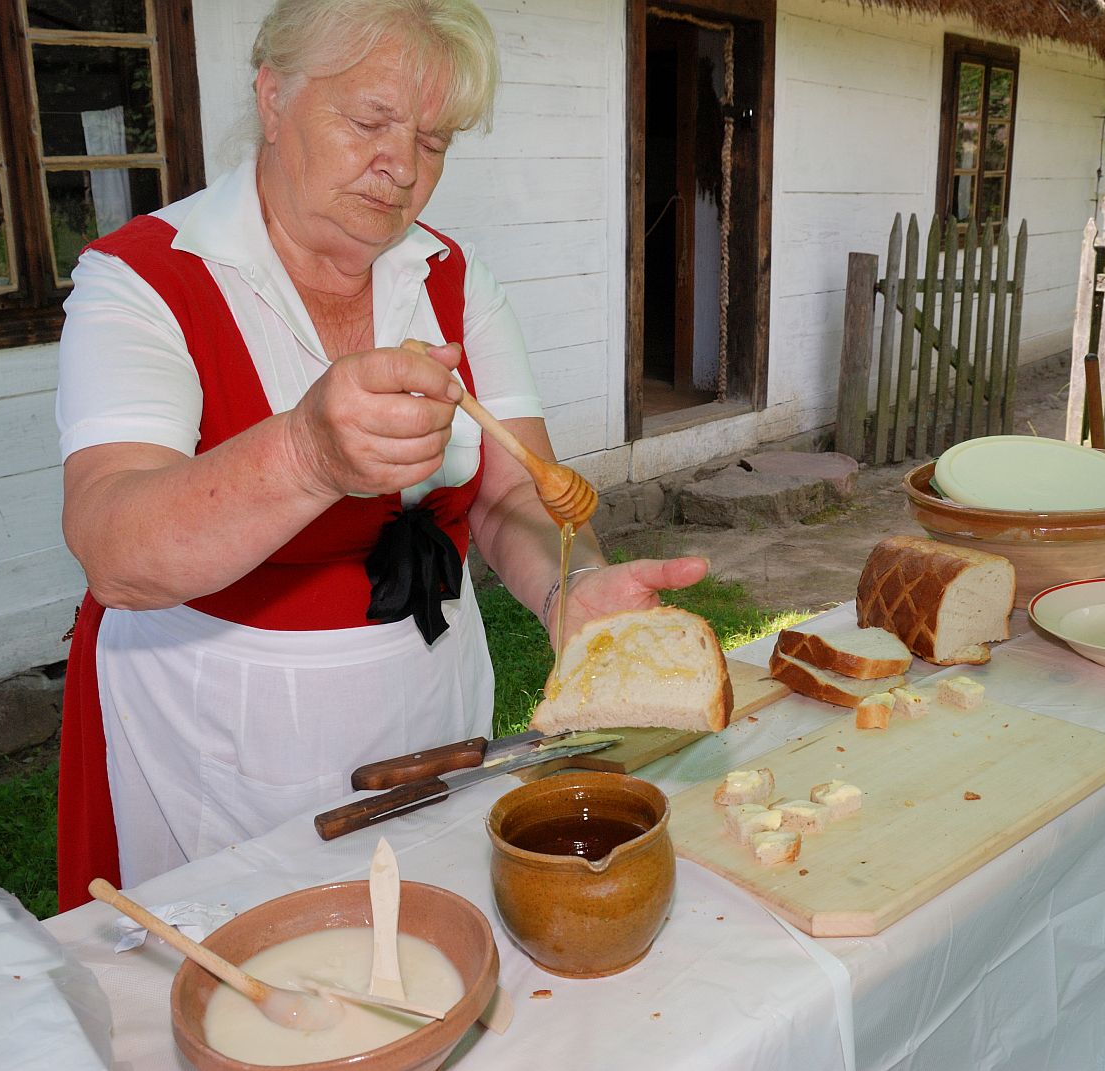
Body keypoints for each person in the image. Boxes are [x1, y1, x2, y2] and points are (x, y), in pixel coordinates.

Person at [54, 0, 706, 910]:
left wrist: (570, 590)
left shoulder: (454, 277)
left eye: (434, 141)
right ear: (273, 96)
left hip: (426, 706)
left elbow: (512, 491)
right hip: (211, 737)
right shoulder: (143, 277)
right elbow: (111, 544)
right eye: (370, 121)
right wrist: (307, 453)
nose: (401, 168)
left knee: (428, 944)